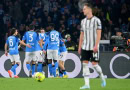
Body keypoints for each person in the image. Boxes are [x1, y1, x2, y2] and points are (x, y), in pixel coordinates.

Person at [78, 3, 106, 89]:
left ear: (90, 9)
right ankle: (87, 84)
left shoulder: (97, 20)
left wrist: (96, 46)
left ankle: (102, 77)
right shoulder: (83, 21)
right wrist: (79, 47)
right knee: (84, 65)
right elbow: (81, 35)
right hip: (85, 47)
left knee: (94, 65)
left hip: (94, 47)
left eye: (84, 9)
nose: (83, 10)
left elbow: (99, 34)